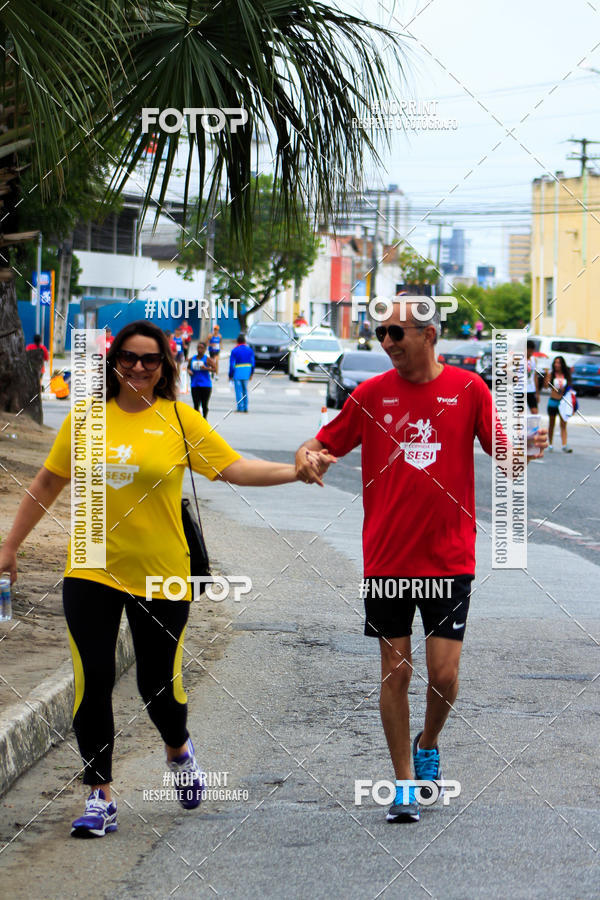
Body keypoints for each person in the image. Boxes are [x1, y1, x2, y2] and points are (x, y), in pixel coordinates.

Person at [0, 320, 327, 839]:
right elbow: (46, 482)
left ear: (164, 367)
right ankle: (99, 795)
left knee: (159, 687)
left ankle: (178, 750)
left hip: (163, 575)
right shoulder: (86, 420)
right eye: (127, 357)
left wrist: (296, 471)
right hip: (91, 568)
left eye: (149, 359)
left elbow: (235, 469)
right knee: (93, 682)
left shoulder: (179, 420)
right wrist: (10, 545)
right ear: (114, 361)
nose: (136, 367)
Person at [295, 297, 547, 824]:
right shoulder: (369, 395)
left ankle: (429, 740)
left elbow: (504, 454)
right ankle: (404, 782)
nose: (386, 343)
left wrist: (529, 448)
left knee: (444, 675)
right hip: (386, 558)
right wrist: (308, 456)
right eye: (381, 333)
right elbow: (321, 442)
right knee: (395, 670)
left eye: (395, 333)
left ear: (428, 335)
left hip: (449, 557)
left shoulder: (467, 389)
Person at [545, 355, 573, 453]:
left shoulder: (566, 375)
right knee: (551, 424)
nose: (557, 365)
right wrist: (546, 375)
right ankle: (550, 444)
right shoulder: (551, 374)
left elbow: (570, 387)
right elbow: (545, 386)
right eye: (555, 362)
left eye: (559, 363)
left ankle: (564, 444)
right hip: (553, 400)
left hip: (563, 402)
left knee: (563, 424)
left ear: (562, 364)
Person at [229, 333, 255, 413]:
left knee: (238, 390)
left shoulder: (234, 350)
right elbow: (253, 363)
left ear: (237, 341)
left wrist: (230, 375)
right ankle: (245, 407)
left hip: (237, 371)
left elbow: (232, 364)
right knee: (245, 390)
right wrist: (251, 373)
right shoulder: (250, 350)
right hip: (247, 371)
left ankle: (240, 407)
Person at [188, 340, 214, 418]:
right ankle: (197, 421)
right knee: (196, 405)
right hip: (195, 385)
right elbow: (188, 368)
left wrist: (205, 368)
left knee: (204, 405)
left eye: (202, 348)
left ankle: (204, 418)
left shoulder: (207, 359)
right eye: (198, 348)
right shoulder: (192, 359)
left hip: (205, 385)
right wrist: (189, 371)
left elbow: (214, 369)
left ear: (205, 349)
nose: (200, 349)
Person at [526, 340, 539, 414]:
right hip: (520, 390)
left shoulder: (534, 360)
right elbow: (504, 367)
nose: (531, 353)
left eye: (532, 351)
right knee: (520, 414)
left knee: (535, 412)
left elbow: (535, 376)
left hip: (531, 389)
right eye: (529, 351)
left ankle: (533, 426)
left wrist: (537, 392)